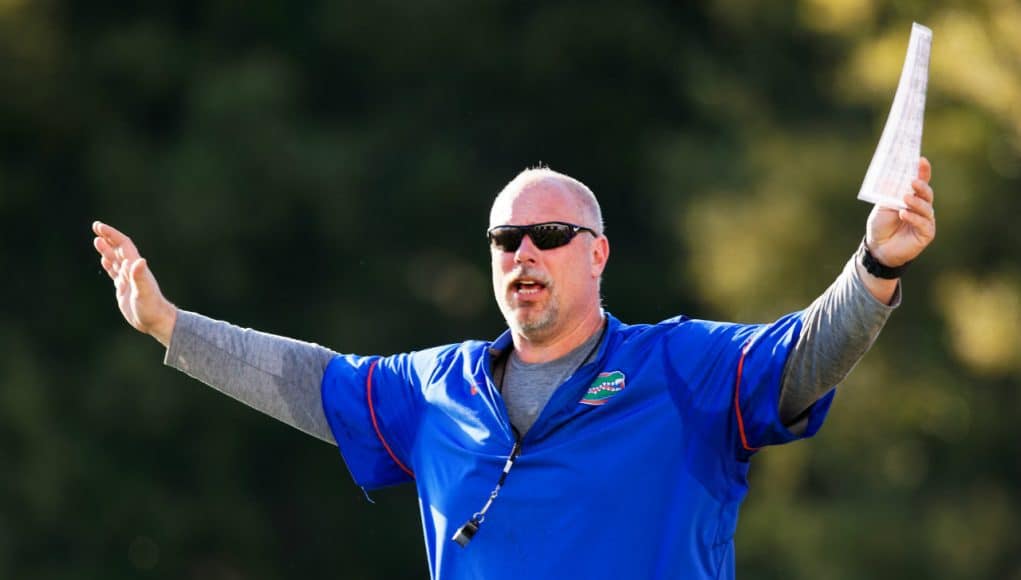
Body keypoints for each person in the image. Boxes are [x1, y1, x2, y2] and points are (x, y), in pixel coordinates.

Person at [92, 159, 936, 579]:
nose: (523, 253)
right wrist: (170, 324)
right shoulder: (433, 391)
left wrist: (874, 264)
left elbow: (806, 353)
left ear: (598, 253)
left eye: (549, 237)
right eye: (505, 240)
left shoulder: (681, 369)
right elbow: (306, 379)